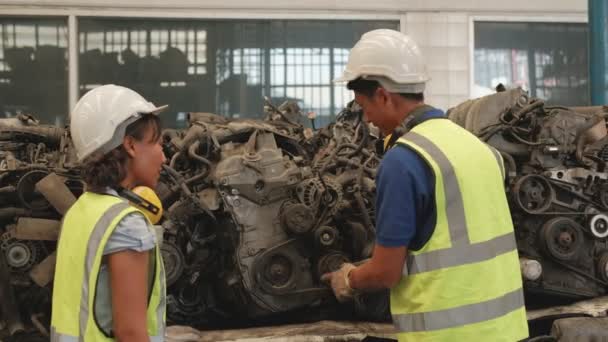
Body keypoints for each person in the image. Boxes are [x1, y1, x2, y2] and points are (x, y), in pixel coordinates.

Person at [322, 29, 529, 341]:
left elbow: (385, 272)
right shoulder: (481, 149)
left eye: (364, 107)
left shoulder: (403, 162)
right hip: (506, 330)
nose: (366, 120)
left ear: (382, 95)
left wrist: (348, 278)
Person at [51, 84, 167, 341]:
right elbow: (130, 333)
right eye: (158, 143)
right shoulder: (126, 225)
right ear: (130, 145)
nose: (164, 157)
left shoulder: (81, 210)